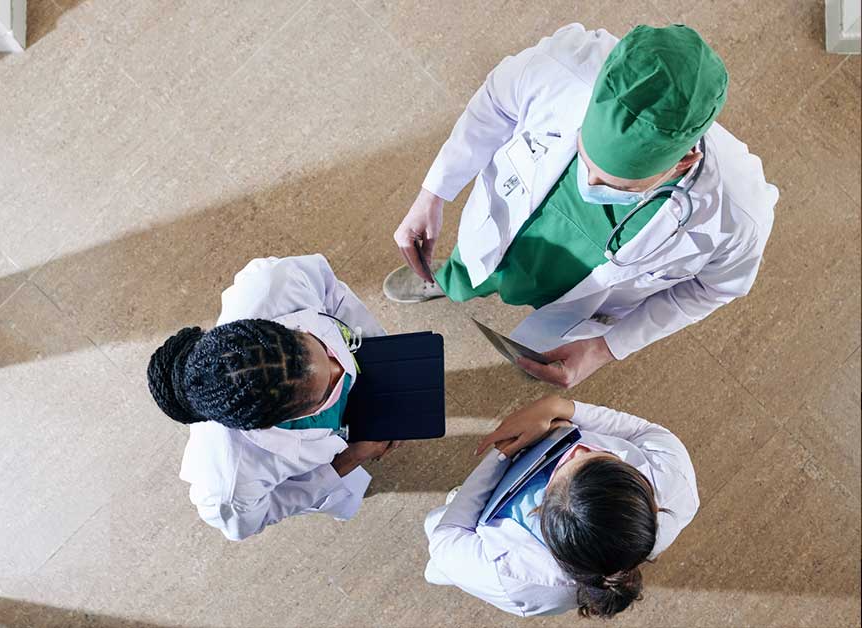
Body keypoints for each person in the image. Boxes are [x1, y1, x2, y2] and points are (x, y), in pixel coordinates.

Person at [386, 23, 778, 388]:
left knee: (555, 318)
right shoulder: (562, 66)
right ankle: (449, 280)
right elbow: (495, 104)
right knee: (474, 265)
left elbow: (712, 290)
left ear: (683, 163)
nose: (588, 183)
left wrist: (604, 349)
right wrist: (432, 194)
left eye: (612, 183)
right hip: (514, 223)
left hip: (586, 285)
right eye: (583, 158)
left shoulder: (740, 216)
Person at [147, 254, 399, 541]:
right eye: (327, 390)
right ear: (275, 421)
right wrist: (350, 459)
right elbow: (253, 518)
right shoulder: (228, 485)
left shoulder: (273, 283)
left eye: (323, 347)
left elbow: (333, 293)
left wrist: (384, 361)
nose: (343, 368)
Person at [422, 395, 698, 617]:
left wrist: (502, 455)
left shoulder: (514, 580)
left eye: (562, 468)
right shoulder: (674, 475)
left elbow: (445, 539)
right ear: (638, 483)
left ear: (544, 514)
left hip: (464, 539)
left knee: (437, 542)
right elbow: (642, 431)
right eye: (601, 458)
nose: (578, 447)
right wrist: (557, 406)